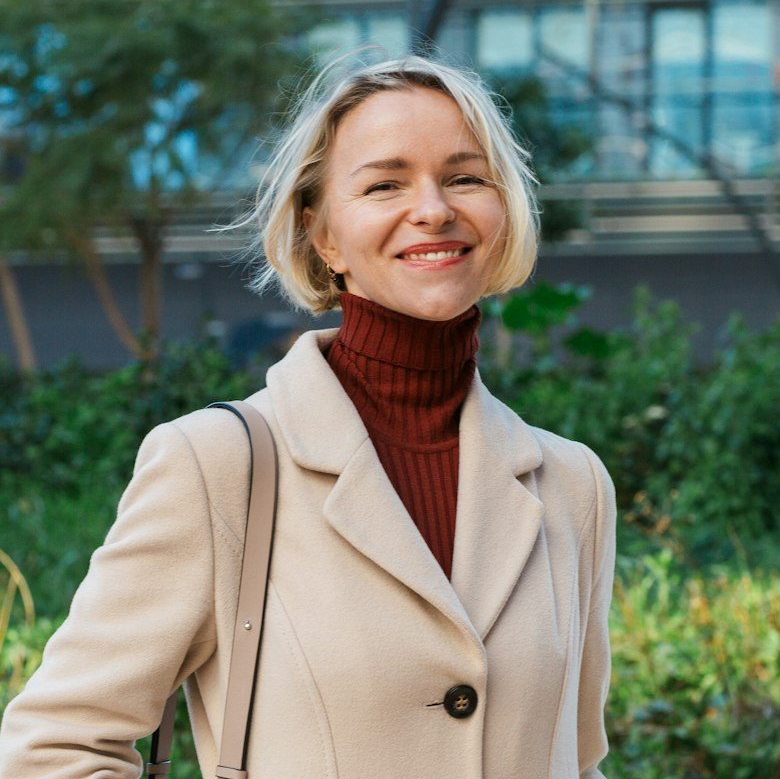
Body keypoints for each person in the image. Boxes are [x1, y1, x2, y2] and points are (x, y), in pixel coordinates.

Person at [0, 52, 617, 779]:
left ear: (503, 210)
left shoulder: (572, 486)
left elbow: (575, 762)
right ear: (322, 234)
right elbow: (53, 749)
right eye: (385, 183)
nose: (434, 208)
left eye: (466, 177)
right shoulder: (217, 467)